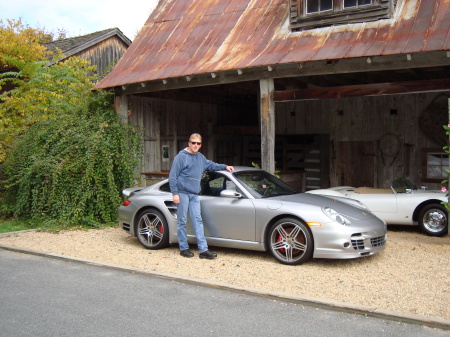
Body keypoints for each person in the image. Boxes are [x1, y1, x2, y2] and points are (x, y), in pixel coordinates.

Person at [169, 133, 234, 259]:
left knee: (197, 221)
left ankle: (203, 250)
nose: (195, 145)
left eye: (198, 143)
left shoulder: (200, 158)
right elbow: (173, 176)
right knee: (182, 220)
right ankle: (184, 248)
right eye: (193, 143)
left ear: (200, 145)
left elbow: (211, 165)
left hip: (194, 194)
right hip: (182, 193)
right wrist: (175, 193)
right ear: (189, 143)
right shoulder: (181, 157)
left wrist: (225, 166)